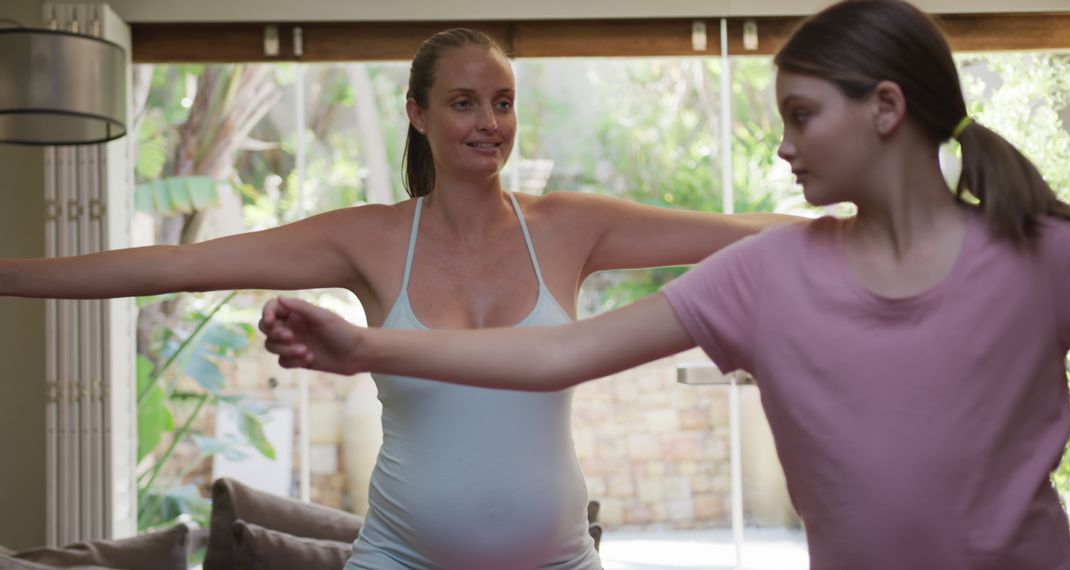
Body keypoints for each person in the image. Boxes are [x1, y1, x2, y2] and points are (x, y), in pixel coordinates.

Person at [260, 2, 1070, 569]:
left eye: (800, 116)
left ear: (886, 108)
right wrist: (361, 344)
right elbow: (562, 352)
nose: (784, 147)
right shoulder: (767, 274)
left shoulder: (1042, 256)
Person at [0, 28, 796, 569]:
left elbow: (744, 230)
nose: (489, 123)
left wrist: (876, 218)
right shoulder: (371, 238)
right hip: (399, 558)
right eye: (463, 102)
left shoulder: (570, 227)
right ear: (416, 114)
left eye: (504, 101)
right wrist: (8, 274)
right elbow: (174, 265)